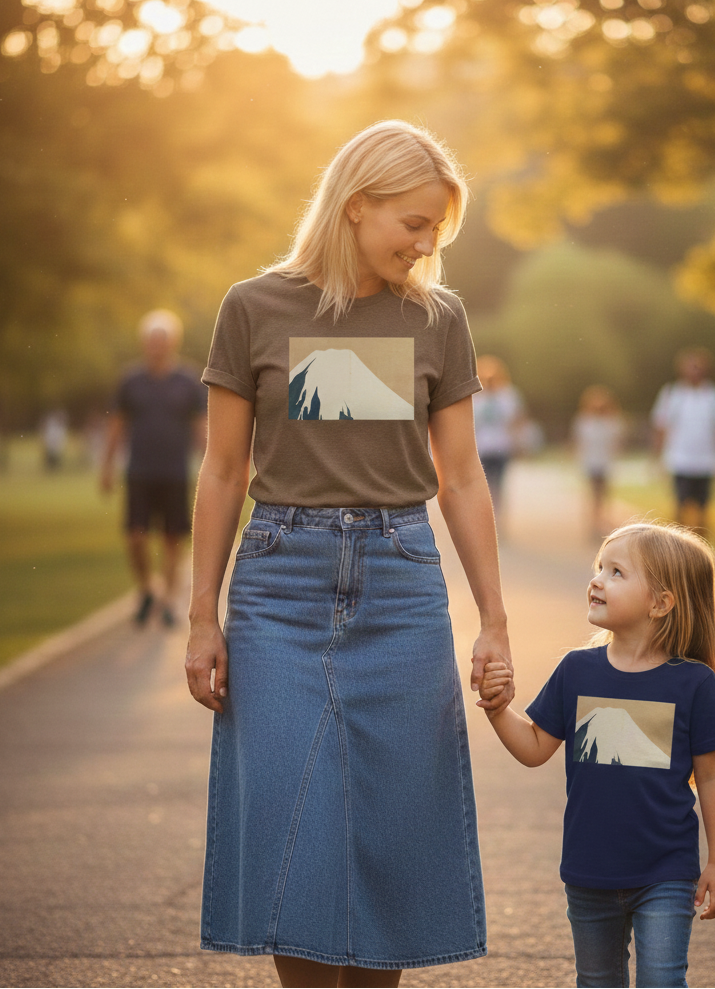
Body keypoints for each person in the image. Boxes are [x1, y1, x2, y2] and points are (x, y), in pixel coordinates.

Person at [184, 120, 514, 989]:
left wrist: (495, 621)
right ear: (356, 204)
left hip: (401, 583)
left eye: (436, 230)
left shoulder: (439, 318)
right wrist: (199, 618)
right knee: (296, 825)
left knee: (393, 829)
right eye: (412, 222)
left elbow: (464, 478)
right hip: (279, 588)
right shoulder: (253, 306)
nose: (424, 243)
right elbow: (221, 473)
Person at [479, 522, 715, 989]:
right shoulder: (576, 670)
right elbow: (535, 747)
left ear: (661, 603)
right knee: (597, 981)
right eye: (599, 567)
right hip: (588, 869)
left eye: (616, 572)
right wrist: (499, 710)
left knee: (662, 980)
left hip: (667, 871)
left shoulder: (693, 683)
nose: (596, 579)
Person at [101, 309, 207, 626]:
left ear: (173, 342)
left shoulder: (188, 381)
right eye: (151, 340)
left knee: (172, 539)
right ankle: (148, 586)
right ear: (144, 343)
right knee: (135, 536)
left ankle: (169, 600)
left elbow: (201, 428)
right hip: (140, 472)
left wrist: (209, 465)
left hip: (174, 473)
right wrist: (107, 466)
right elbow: (118, 426)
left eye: (162, 340)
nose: (156, 346)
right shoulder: (130, 381)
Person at [651, 347, 715, 537]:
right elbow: (660, 428)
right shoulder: (672, 394)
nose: (694, 371)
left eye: (698, 367)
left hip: (707, 461)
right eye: (690, 367)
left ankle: (702, 555)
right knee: (680, 508)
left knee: (703, 511)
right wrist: (656, 458)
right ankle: (677, 553)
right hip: (680, 460)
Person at [472, 355, 526, 519]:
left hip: (502, 446)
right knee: (483, 486)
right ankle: (486, 517)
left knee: (499, 485)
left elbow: (517, 420)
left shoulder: (508, 395)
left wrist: (518, 442)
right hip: (481, 447)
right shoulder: (476, 396)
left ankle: (498, 518)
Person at [571, 385, 624, 540]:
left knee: (604, 496)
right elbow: (579, 443)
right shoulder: (584, 422)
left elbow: (617, 443)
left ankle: (601, 523)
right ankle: (593, 525)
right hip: (590, 463)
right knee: (594, 495)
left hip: (605, 463)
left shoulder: (612, 422)